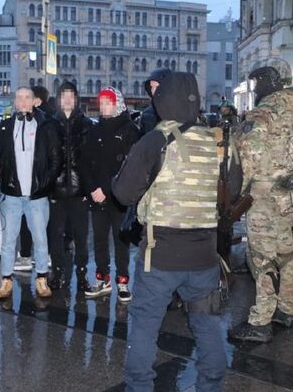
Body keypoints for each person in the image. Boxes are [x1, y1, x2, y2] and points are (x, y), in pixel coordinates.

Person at [113, 72, 226, 392]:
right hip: (204, 257)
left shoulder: (156, 140)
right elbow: (231, 187)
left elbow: (123, 193)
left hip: (160, 256)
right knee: (207, 327)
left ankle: (139, 387)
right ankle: (211, 386)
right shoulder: (215, 141)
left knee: (144, 327)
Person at [228, 66, 293, 343]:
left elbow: (248, 158)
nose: (255, 89)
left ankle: (261, 321)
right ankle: (287, 310)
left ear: (268, 82)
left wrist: (237, 194)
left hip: (263, 197)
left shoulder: (262, 115)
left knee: (262, 258)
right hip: (288, 194)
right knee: (286, 254)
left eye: (257, 83)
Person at [0, 87, 61, 300]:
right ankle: (6, 280)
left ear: (35, 101)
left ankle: (41, 278)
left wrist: (45, 184)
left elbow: (56, 159)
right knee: (8, 241)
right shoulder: (4, 127)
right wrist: (1, 176)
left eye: (27, 97)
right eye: (19, 97)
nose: (23, 101)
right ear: (15, 101)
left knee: (40, 239)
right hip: (11, 195)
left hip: (37, 197)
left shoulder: (45, 126)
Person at [80, 87, 140, 302]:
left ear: (118, 104)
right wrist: (92, 189)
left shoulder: (130, 130)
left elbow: (128, 166)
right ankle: (102, 278)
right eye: (102, 103)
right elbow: (84, 162)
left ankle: (123, 281)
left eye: (108, 102)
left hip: (118, 197)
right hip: (97, 197)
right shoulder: (95, 129)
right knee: (99, 240)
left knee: (120, 239)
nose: (104, 107)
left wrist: (105, 189)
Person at [47, 81, 93, 290]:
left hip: (79, 192)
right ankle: (57, 274)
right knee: (56, 236)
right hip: (56, 191)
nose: (67, 99)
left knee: (81, 237)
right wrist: (47, 188)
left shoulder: (86, 124)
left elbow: (91, 161)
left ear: (76, 99)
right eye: (63, 95)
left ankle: (81, 276)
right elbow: (43, 159)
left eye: (71, 95)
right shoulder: (50, 124)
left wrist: (87, 189)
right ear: (58, 99)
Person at [138, 68, 172, 136]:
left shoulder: (179, 111)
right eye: (151, 87)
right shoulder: (147, 114)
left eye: (156, 86)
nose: (153, 90)